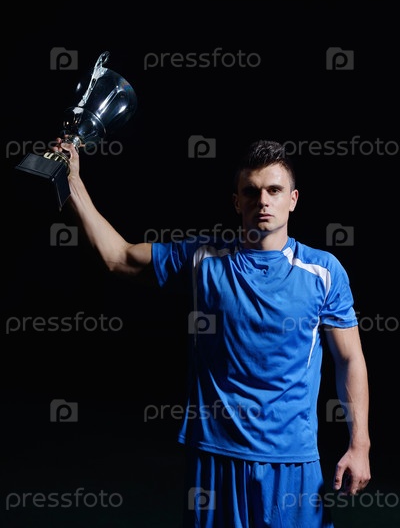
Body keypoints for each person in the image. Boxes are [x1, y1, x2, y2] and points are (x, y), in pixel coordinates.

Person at [53, 137, 371, 527]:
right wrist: (72, 181)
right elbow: (117, 257)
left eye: (274, 190)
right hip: (216, 455)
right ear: (236, 201)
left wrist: (360, 444)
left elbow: (349, 359)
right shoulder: (203, 259)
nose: (263, 200)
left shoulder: (324, 272)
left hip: (292, 458)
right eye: (251, 191)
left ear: (293, 199)